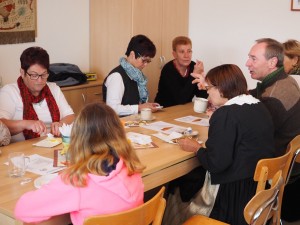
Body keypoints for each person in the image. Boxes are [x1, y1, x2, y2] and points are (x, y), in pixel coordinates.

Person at [163, 64, 276, 225]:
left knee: (177, 186)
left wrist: (196, 148)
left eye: (209, 88)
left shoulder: (226, 115)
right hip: (257, 188)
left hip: (233, 195)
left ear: (222, 88)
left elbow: (216, 164)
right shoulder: (257, 105)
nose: (207, 92)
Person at [14, 103, 145, 225]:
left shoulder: (77, 181)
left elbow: (22, 209)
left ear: (78, 138)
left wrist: (61, 180)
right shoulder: (130, 165)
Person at [0, 46, 75, 142]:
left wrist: (61, 124)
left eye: (44, 74)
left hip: (53, 144)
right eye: (34, 75)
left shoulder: (54, 89)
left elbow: (70, 116)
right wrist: (25, 124)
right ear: (22, 73)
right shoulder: (10, 92)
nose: (40, 80)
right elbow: (1, 125)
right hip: (23, 150)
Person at [246, 38, 300, 156]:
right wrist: (214, 86)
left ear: (272, 63)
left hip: (273, 163)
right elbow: (251, 93)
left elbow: (251, 135)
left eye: (253, 59)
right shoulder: (286, 80)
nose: (247, 63)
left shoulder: (272, 98)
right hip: (289, 157)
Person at [103, 34, 159, 116]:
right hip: (119, 125)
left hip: (135, 121)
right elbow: (112, 109)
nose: (146, 64)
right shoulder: (117, 76)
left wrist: (147, 106)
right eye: (144, 60)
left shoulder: (138, 76)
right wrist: (139, 108)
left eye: (148, 61)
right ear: (132, 54)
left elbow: (137, 103)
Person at [154, 36, 208, 107]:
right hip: (165, 109)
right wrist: (194, 74)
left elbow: (202, 96)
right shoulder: (168, 69)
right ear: (174, 54)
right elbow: (180, 99)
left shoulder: (193, 66)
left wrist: (203, 81)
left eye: (189, 51)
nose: (186, 56)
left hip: (184, 109)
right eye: (182, 52)